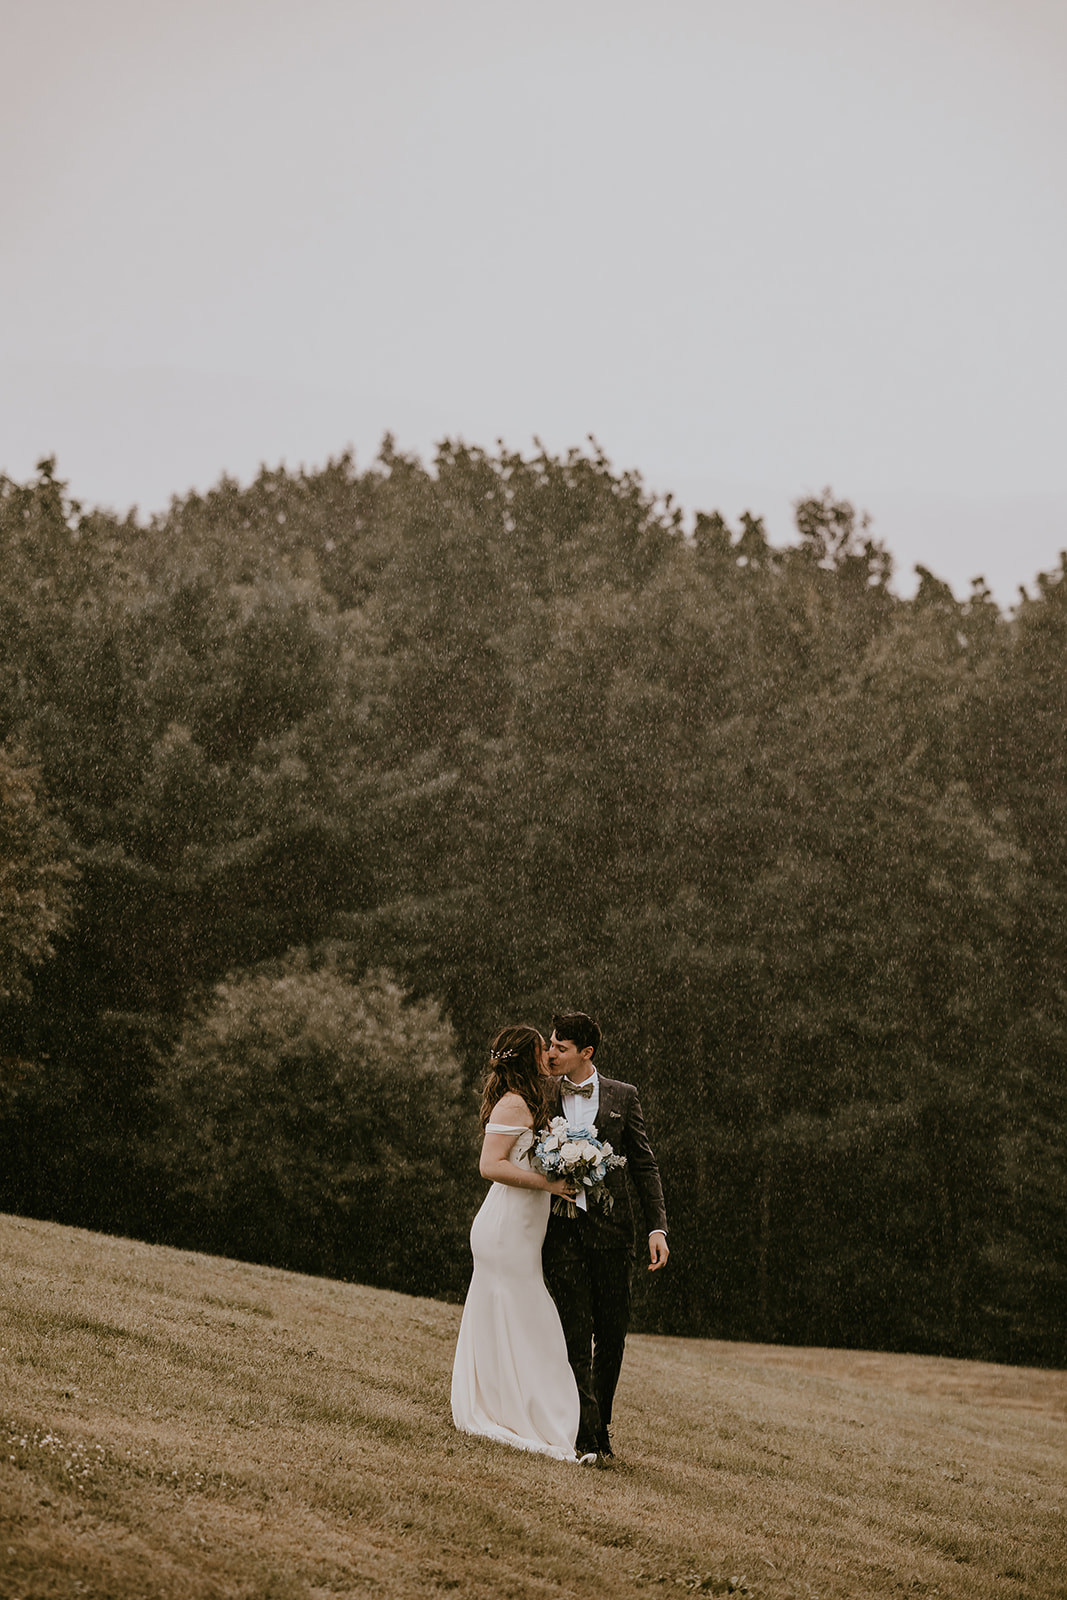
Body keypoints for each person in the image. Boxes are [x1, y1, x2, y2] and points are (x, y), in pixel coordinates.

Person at [450, 1024, 596, 1461]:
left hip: (524, 1230)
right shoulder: (514, 1103)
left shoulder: (532, 1098)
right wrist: (546, 1184)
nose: (547, 1055)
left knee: (518, 1321)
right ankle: (523, 1417)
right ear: (524, 1057)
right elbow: (489, 1165)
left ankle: (533, 1417)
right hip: (505, 1229)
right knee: (532, 1321)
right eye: (541, 1049)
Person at [542, 1010, 669, 1461]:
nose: (551, 1052)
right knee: (575, 1331)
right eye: (550, 1044)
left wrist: (658, 1226)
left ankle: (600, 1422)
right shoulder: (542, 1094)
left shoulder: (623, 1096)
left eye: (560, 1046)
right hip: (560, 1230)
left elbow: (644, 1164)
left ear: (586, 1053)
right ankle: (587, 1435)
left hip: (615, 1233)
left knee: (612, 1334)